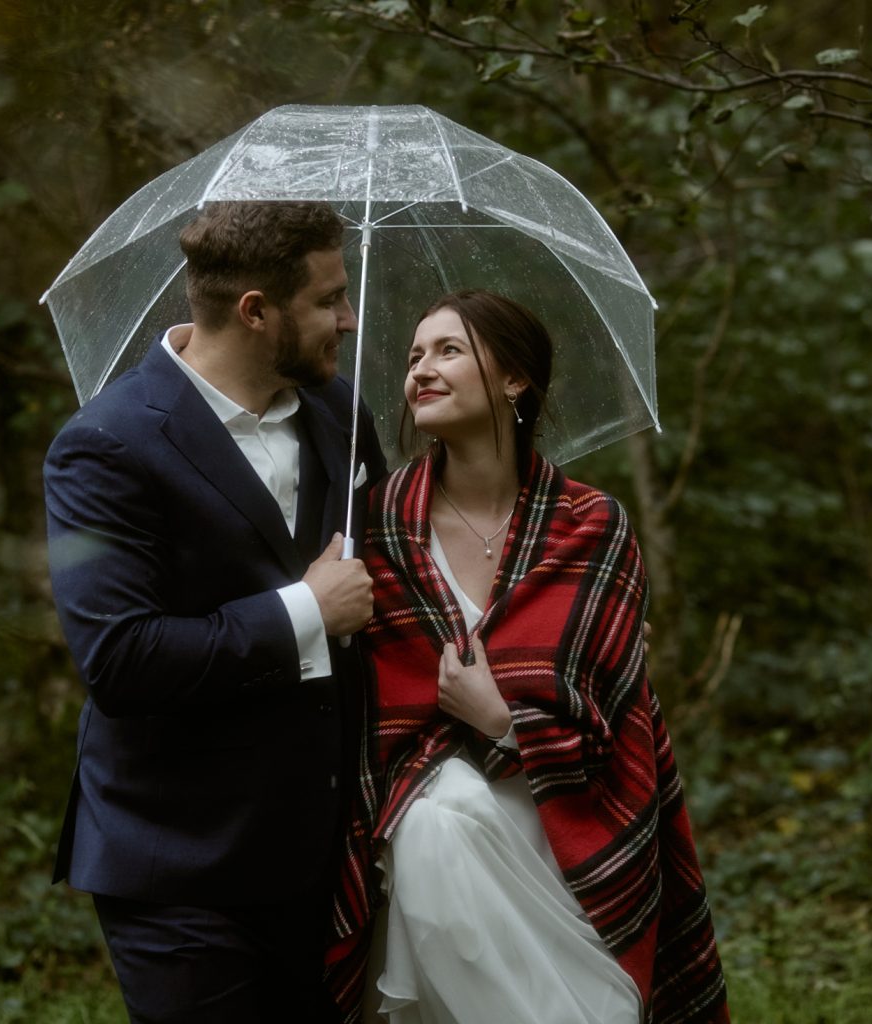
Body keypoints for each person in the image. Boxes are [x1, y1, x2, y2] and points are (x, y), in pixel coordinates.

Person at [325, 290, 729, 1023]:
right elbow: (362, 709)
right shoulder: (375, 526)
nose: (421, 369)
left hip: (566, 824)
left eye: (448, 350)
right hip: (421, 825)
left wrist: (506, 724)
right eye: (414, 356)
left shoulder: (592, 526)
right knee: (437, 822)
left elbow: (617, 717)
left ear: (515, 379)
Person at [44, 200, 387, 1023]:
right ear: (256, 311)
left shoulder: (342, 414)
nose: (348, 319)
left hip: (328, 852)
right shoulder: (107, 447)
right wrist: (306, 608)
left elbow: (396, 582)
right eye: (327, 299)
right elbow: (122, 661)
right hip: (180, 866)